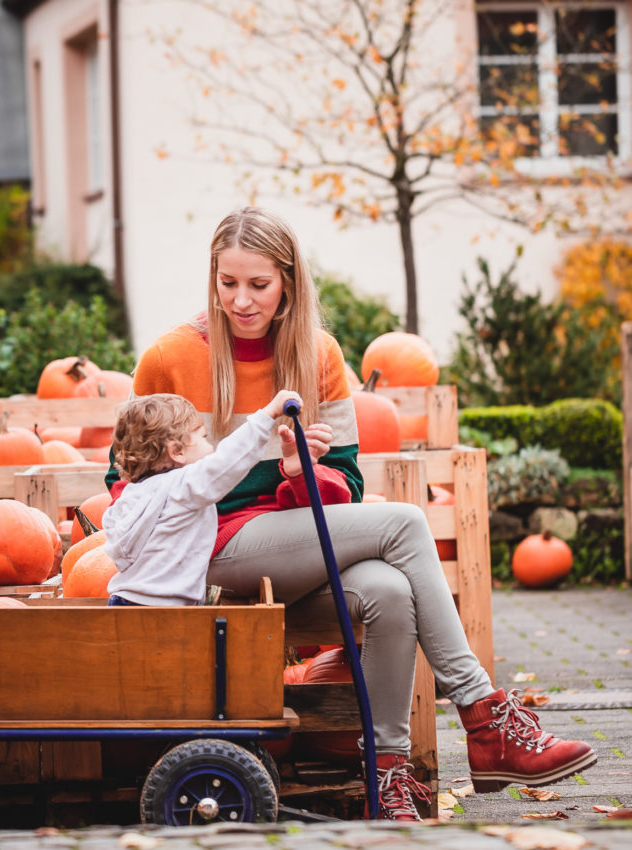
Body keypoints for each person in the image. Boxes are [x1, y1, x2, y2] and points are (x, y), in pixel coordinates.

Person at [105, 206, 596, 821]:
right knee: (407, 522)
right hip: (214, 552)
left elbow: (349, 483)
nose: (241, 300)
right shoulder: (170, 357)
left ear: (287, 280)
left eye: (258, 284)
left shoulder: (318, 355)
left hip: (300, 545)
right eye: (228, 283)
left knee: (390, 591)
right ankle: (483, 712)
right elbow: (124, 475)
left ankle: (386, 777)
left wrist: (294, 472)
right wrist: (199, 484)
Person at [103, 388, 304, 606]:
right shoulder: (182, 487)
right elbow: (227, 461)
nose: (211, 448)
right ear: (177, 451)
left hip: (124, 601)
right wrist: (267, 415)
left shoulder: (130, 497)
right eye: (203, 437)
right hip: (164, 607)